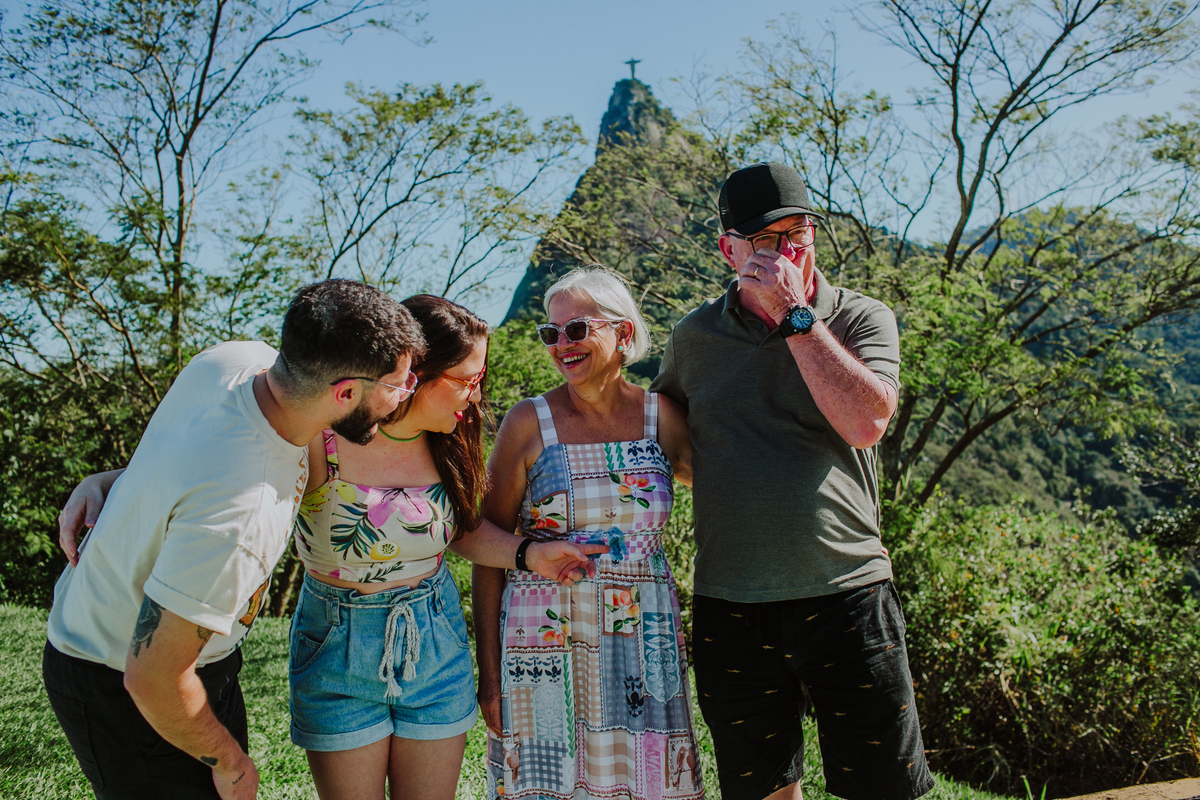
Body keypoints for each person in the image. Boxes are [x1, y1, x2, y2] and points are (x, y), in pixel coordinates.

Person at [44, 279, 426, 800]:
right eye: (397, 385)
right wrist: (230, 764)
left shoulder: (234, 362)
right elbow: (153, 678)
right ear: (345, 392)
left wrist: (108, 481)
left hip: (182, 660)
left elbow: (183, 460)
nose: (404, 396)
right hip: (124, 684)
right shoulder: (244, 513)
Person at [650, 161, 934, 800]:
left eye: (798, 232)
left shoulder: (862, 318)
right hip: (730, 602)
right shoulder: (694, 337)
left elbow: (867, 422)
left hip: (848, 590)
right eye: (766, 240)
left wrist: (796, 316)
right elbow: (670, 441)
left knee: (886, 786)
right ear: (728, 250)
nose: (787, 250)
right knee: (761, 789)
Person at [287, 294, 605, 800]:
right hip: (337, 644)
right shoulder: (322, 439)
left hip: (435, 640)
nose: (474, 397)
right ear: (416, 370)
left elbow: (461, 531)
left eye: (480, 381)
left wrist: (529, 553)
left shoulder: (449, 440)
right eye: (464, 380)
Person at [474, 266, 704, 800]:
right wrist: (488, 674)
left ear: (623, 333)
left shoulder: (662, 418)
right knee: (545, 786)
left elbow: (724, 494)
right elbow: (487, 546)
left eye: (577, 330)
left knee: (647, 783)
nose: (561, 345)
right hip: (543, 639)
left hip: (644, 639)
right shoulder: (528, 422)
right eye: (550, 334)